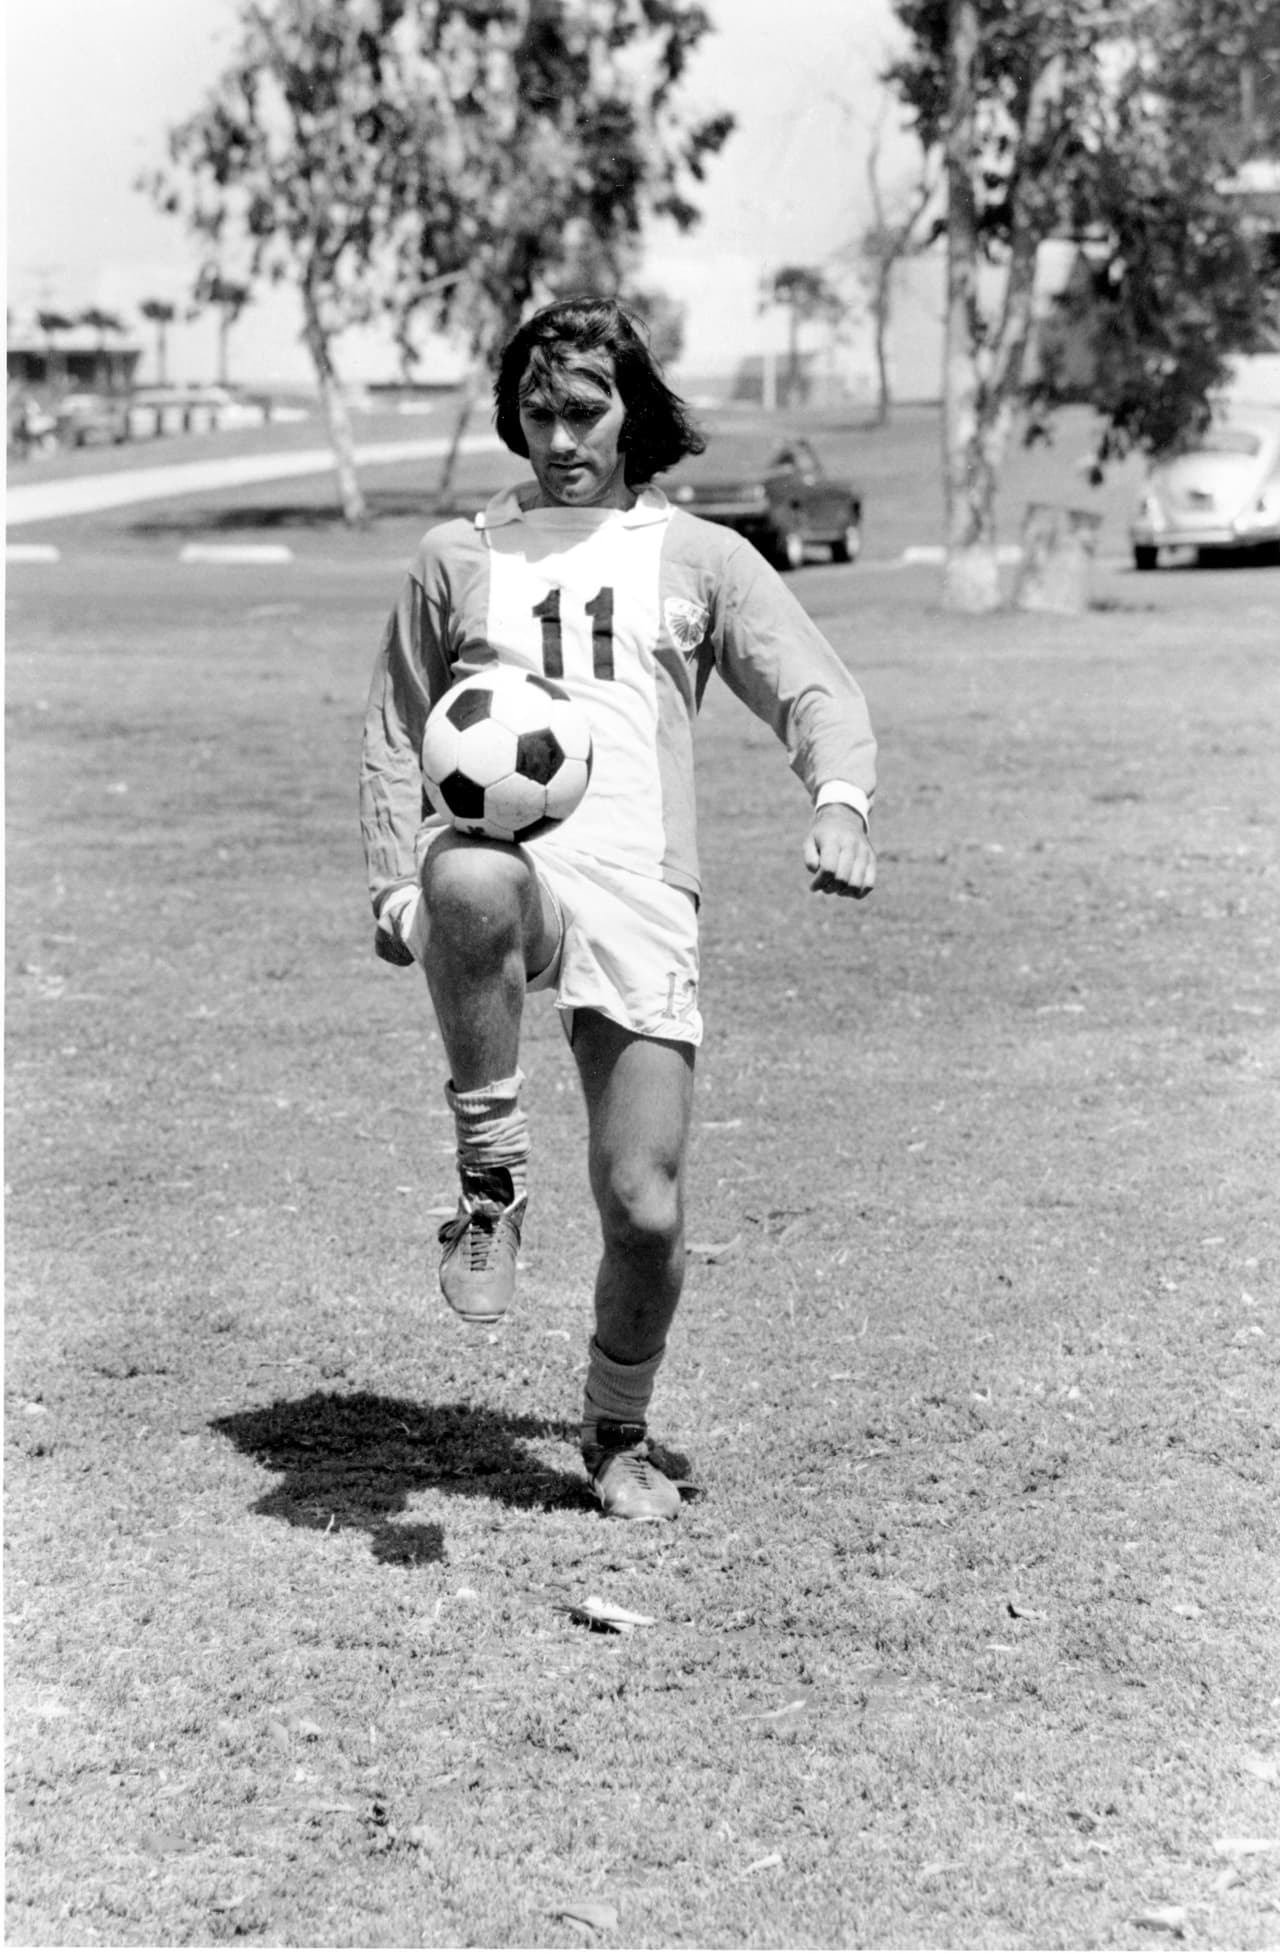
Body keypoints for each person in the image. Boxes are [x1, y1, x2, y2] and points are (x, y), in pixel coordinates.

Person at [360, 296, 877, 1522]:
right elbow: (395, 725)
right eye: (535, 413)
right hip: (513, 874)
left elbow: (812, 688)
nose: (557, 437)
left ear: (631, 412)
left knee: (645, 1211)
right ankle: (488, 1180)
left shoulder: (697, 558)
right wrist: (395, 871)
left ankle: (614, 1427)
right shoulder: (456, 556)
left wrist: (841, 799)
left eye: (584, 410)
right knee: (468, 873)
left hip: (640, 889)